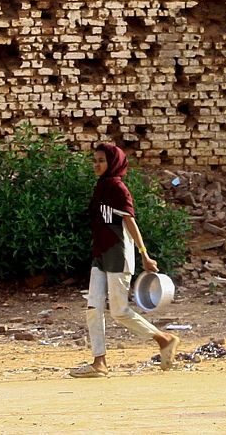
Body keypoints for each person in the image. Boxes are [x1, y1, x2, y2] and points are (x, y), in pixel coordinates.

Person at [70, 143, 179, 377]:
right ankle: (99, 362)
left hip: (118, 255)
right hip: (100, 255)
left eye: (101, 160)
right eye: (94, 160)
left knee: (119, 311)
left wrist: (144, 254)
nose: (97, 165)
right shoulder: (101, 187)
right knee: (93, 308)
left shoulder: (118, 189)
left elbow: (130, 223)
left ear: (113, 162)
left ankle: (164, 339)